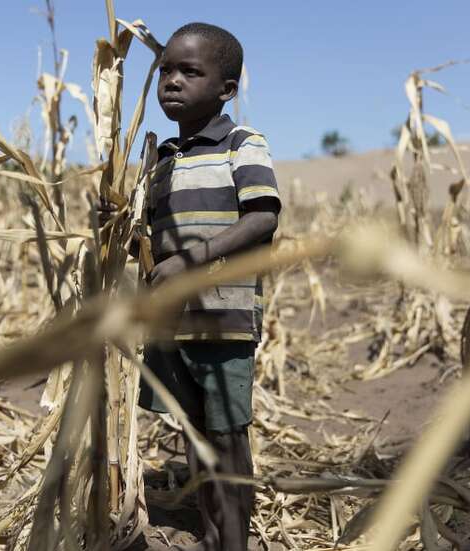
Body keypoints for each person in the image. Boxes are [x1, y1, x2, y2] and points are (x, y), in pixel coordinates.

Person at [141, 21, 281, 551]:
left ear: (227, 89)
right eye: (165, 70)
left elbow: (262, 218)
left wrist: (192, 262)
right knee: (195, 433)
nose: (172, 81)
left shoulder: (242, 145)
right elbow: (146, 236)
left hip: (223, 318)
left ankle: (235, 542)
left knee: (226, 436)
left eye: (189, 71)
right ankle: (213, 534)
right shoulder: (160, 161)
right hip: (173, 322)